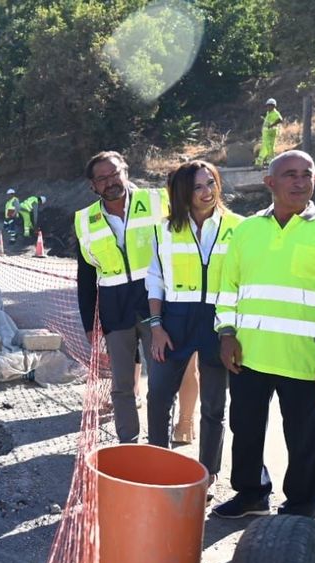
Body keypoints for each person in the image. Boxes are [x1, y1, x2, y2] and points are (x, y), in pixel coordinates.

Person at [212, 150, 315, 519]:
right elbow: (228, 289)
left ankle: (300, 508)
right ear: (269, 183)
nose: (299, 180)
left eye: (306, 173)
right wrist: (227, 333)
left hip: (307, 361)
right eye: (289, 174)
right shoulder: (246, 230)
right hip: (249, 356)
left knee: (306, 442)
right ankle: (251, 494)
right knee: (245, 432)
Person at [146, 160, 243, 499]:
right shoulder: (163, 229)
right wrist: (156, 326)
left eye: (211, 183)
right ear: (183, 192)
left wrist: (233, 330)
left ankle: (207, 474)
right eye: (198, 186)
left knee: (214, 404)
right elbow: (155, 278)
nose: (207, 192)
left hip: (220, 323)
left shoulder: (240, 227)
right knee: (158, 396)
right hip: (175, 320)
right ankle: (157, 466)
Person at [75, 151, 170, 443]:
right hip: (115, 309)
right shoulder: (84, 220)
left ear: (126, 171)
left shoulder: (157, 202)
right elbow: (87, 277)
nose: (110, 182)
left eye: (114, 173)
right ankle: (128, 442)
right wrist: (89, 325)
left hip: (156, 303)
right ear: (93, 186)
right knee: (121, 384)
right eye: (101, 179)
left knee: (161, 379)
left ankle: (159, 443)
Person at [255, 98, 283, 168]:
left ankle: (270, 161)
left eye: (269, 106)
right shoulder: (268, 113)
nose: (268, 107)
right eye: (267, 106)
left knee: (270, 147)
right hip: (266, 133)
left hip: (271, 133)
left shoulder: (275, 113)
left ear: (273, 106)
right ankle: (259, 162)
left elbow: (280, 119)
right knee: (264, 147)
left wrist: (271, 125)